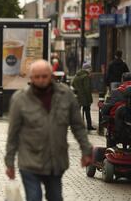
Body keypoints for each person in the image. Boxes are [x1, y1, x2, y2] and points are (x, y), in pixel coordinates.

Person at [5, 59, 92, 201]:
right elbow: (12, 134)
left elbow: (78, 126)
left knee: (56, 197)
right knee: (34, 198)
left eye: (44, 76)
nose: (41, 80)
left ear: (51, 76)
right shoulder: (20, 99)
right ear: (31, 78)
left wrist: (86, 150)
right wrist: (9, 163)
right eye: (37, 77)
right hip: (29, 161)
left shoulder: (66, 95)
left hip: (55, 161)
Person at [72, 63, 96, 130]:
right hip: (85, 97)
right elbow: (87, 88)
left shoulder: (77, 75)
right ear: (87, 69)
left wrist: (78, 89)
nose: (90, 70)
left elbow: (73, 84)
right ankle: (89, 126)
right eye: (90, 69)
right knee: (87, 111)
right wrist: (90, 99)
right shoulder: (86, 76)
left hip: (78, 96)